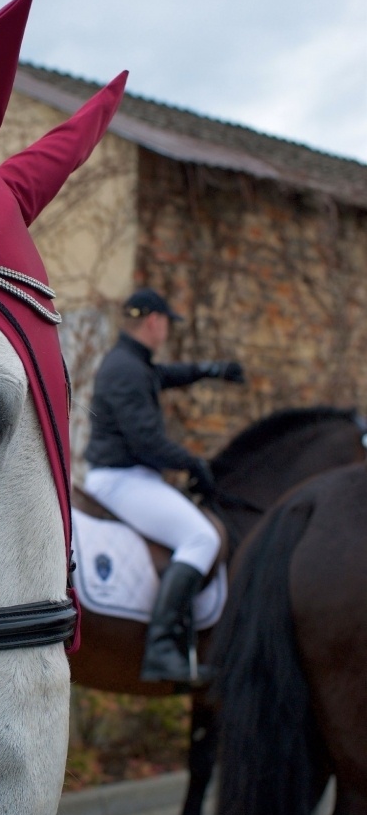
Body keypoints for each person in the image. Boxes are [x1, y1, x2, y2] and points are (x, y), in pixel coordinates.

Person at [84, 287, 245, 683]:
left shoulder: (130, 362)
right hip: (121, 479)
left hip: (126, 475)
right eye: (166, 325)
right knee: (202, 538)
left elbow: (165, 375)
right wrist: (194, 464)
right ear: (154, 321)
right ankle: (160, 649)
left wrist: (210, 370)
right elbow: (147, 443)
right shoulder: (126, 369)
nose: (167, 332)